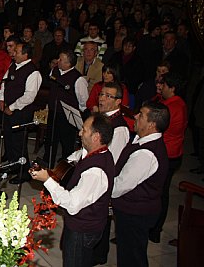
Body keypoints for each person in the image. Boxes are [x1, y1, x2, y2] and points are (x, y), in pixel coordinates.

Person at [31, 113, 114, 267]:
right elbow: (78, 156)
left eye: (84, 130)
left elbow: (72, 204)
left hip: (82, 231)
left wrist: (47, 180)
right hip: (82, 226)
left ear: (96, 137)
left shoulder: (95, 172)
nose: (80, 132)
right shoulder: (97, 152)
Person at [111, 101, 169, 267]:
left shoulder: (146, 153)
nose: (135, 116)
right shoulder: (142, 140)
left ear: (151, 124)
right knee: (129, 252)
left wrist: (101, 186)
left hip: (136, 213)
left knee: (132, 257)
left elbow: (121, 186)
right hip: (134, 210)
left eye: (141, 115)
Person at [90, 81, 131, 265]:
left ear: (118, 102)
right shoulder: (103, 118)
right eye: (101, 94)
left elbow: (112, 159)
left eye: (108, 96)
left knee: (101, 216)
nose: (102, 98)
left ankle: (99, 254)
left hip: (105, 176)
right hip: (95, 170)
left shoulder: (119, 128)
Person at [150, 72, 188, 243]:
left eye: (163, 85)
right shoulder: (175, 103)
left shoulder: (173, 107)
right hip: (172, 153)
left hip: (168, 155)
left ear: (172, 88)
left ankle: (155, 228)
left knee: (160, 193)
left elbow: (156, 128)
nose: (160, 88)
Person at [0, 42, 42, 183]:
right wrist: (1, 99)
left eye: (16, 51)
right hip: (8, 109)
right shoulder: (13, 66)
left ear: (25, 54)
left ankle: (23, 172)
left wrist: (12, 107)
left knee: (19, 143)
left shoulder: (33, 72)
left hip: (20, 113)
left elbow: (29, 96)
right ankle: (13, 165)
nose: (13, 53)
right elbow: (4, 83)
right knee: (9, 139)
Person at [44, 49, 88, 167]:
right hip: (53, 113)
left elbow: (83, 101)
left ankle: (64, 168)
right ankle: (47, 164)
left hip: (67, 116)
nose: (57, 61)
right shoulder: (54, 71)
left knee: (67, 143)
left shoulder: (78, 79)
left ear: (68, 64)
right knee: (50, 139)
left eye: (61, 60)